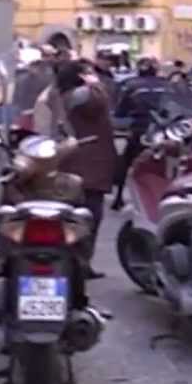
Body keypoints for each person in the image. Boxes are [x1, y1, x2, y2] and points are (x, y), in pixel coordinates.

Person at [38, 60, 117, 278]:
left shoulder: (60, 94)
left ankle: (74, 261)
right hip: (89, 162)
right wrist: (95, 84)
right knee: (89, 215)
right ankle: (80, 263)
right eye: (88, 72)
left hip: (73, 159)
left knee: (74, 213)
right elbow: (100, 101)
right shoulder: (83, 95)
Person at [111, 57, 170, 210]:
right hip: (164, 130)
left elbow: (120, 111)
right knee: (167, 163)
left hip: (140, 128)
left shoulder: (131, 85)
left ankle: (118, 197)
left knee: (127, 162)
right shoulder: (166, 85)